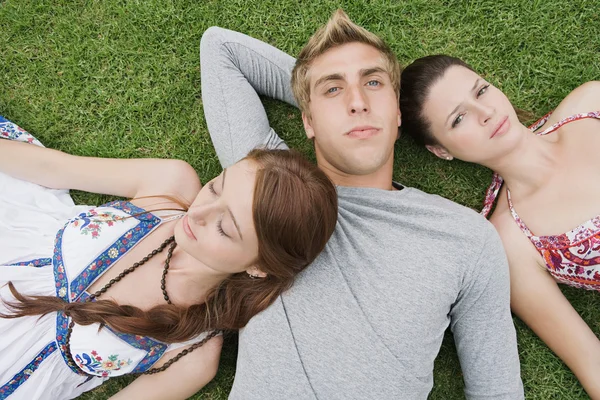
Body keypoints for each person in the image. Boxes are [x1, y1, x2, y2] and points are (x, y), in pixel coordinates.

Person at [199, 10, 524, 400]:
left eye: (373, 82)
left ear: (399, 110)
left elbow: (497, 391)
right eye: (333, 89)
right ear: (308, 122)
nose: (357, 102)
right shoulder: (266, 192)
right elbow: (221, 48)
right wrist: (339, 109)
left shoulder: (467, 237)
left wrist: (353, 111)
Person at [0, 115, 337, 400]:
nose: (200, 212)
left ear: (258, 266)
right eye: (217, 188)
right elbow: (53, 167)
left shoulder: (192, 355)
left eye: (225, 227)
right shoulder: (170, 186)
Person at [399, 54, 600, 397]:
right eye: (459, 118)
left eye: (481, 92)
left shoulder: (589, 102)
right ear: (440, 150)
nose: (486, 113)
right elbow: (591, 362)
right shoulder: (511, 242)